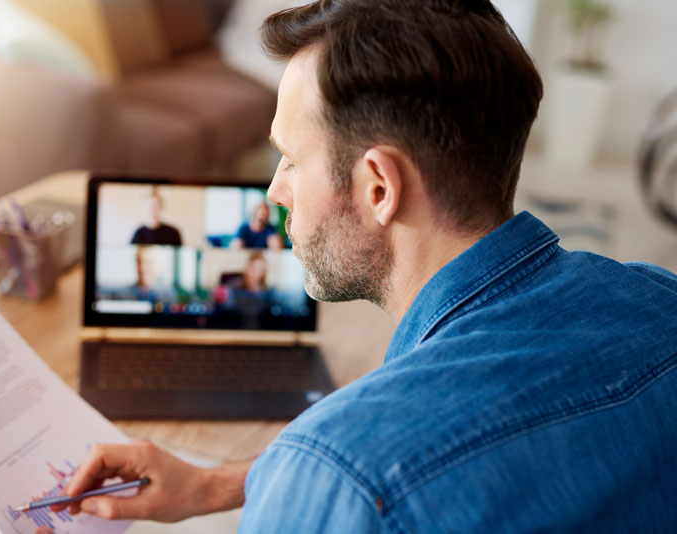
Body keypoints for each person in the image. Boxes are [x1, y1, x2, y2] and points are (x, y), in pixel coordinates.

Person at [47, 1, 677, 532]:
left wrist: (304, 475)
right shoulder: (661, 297)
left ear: (379, 187)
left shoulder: (340, 477)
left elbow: (365, 473)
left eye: (290, 159)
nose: (273, 191)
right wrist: (221, 484)